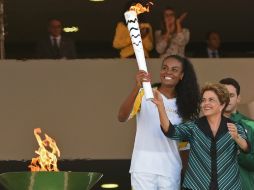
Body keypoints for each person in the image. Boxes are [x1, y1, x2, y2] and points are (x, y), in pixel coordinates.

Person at [118, 55, 200, 190]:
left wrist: (190, 175)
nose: (168, 72)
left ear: (181, 75)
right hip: (143, 168)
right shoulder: (145, 94)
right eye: (165, 68)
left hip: (171, 170)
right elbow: (121, 117)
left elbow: (184, 146)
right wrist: (137, 88)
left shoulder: (185, 105)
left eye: (174, 70)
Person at [154, 82, 250, 189]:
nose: (206, 103)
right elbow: (170, 131)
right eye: (203, 100)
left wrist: (237, 138)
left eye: (211, 100)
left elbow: (246, 148)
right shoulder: (194, 127)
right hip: (196, 185)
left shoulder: (234, 127)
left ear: (222, 105)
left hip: (228, 186)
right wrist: (160, 106)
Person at [220, 77, 254, 190]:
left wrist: (240, 149)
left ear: (238, 98)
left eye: (231, 95)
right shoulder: (204, 125)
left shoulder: (250, 125)